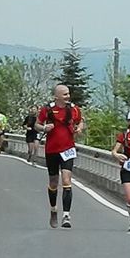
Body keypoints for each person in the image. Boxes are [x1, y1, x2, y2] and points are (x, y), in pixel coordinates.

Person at [35, 84, 84, 228]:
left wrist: (79, 128)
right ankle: (53, 209)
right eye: (64, 94)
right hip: (52, 150)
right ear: (56, 96)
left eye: (68, 94)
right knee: (53, 182)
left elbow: (81, 121)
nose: (68, 96)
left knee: (66, 179)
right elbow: (37, 124)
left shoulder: (74, 109)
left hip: (68, 149)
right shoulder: (48, 109)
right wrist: (44, 128)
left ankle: (66, 215)